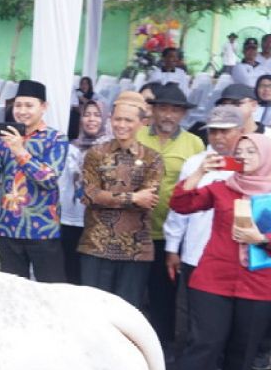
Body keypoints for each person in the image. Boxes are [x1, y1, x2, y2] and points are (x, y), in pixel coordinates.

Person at [168, 133, 271, 370]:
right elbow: (181, 203)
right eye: (240, 151)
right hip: (214, 279)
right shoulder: (224, 188)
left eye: (252, 151)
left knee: (244, 346)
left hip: (259, 283)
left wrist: (261, 239)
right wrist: (201, 172)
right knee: (205, 342)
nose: (245, 156)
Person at [164, 105, 245, 364]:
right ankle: (187, 366)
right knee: (190, 317)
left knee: (228, 322)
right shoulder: (195, 163)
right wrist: (172, 247)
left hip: (236, 256)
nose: (219, 137)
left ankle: (217, 368)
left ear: (240, 132)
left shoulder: (253, 163)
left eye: (225, 132)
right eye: (214, 132)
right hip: (195, 252)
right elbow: (179, 209)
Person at [77, 92, 164, 309]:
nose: (121, 125)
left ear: (142, 123)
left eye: (128, 120)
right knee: (92, 309)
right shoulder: (96, 154)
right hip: (96, 245)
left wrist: (107, 197)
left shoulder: (152, 158)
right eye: (117, 119)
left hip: (136, 250)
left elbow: (149, 200)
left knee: (127, 312)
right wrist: (132, 197)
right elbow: (89, 195)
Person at [136, 83, 204, 351]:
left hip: (170, 235)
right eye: (162, 108)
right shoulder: (137, 135)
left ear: (183, 115)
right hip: (134, 230)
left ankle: (163, 349)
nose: (168, 115)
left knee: (164, 296)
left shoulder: (194, 144)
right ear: (153, 111)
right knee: (133, 293)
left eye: (175, 110)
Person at [0, 79, 68, 282]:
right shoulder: (6, 137)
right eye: (18, 105)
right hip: (9, 227)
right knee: (12, 294)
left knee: (51, 291)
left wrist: (20, 151)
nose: (22, 111)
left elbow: (48, 179)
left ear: (43, 107)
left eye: (29, 105)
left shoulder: (55, 139)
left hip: (43, 229)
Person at [60, 99, 110, 284]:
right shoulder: (71, 147)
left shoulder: (110, 150)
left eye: (97, 115)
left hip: (97, 220)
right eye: (87, 115)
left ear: (105, 119)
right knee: (70, 273)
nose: (91, 119)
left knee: (92, 277)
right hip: (70, 218)